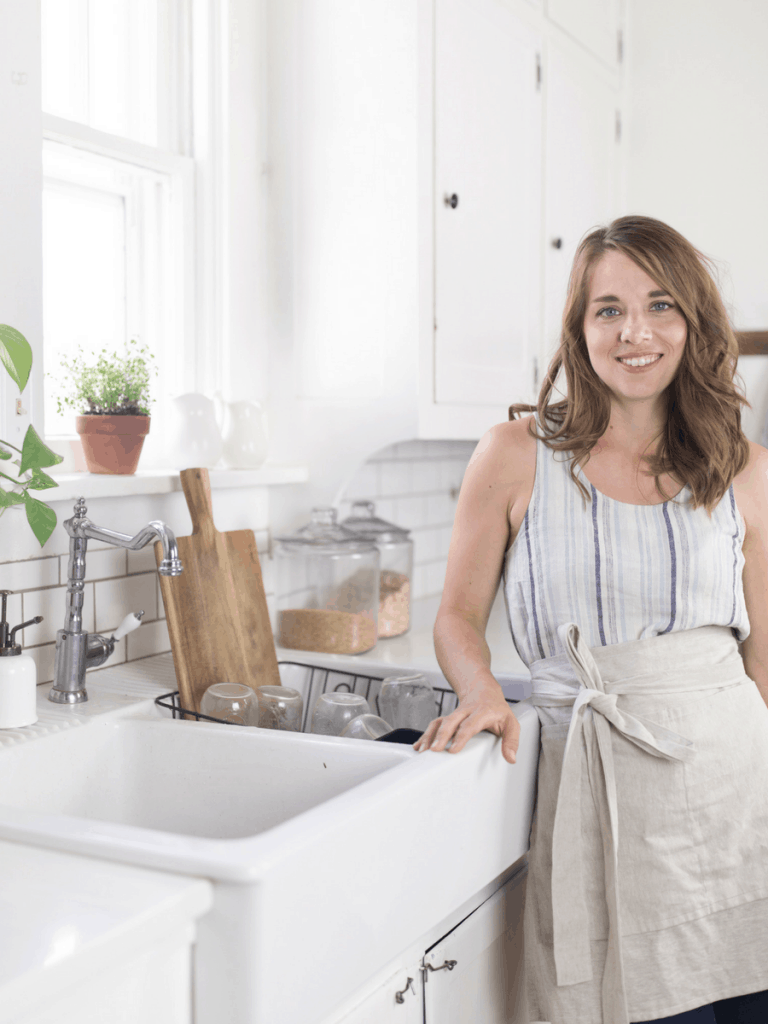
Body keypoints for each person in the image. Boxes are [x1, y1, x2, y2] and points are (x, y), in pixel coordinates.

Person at [412, 216, 768, 1024]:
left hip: (736, 799)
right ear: (578, 329)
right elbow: (457, 617)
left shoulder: (744, 468)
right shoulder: (514, 453)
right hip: (591, 784)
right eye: (608, 309)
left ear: (693, 324)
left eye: (660, 305)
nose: (634, 332)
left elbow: (767, 657)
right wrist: (482, 693)